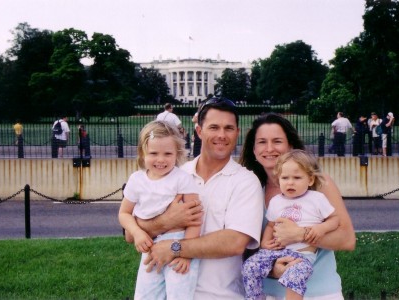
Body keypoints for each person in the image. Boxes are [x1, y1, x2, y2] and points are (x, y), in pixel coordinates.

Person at [131, 97, 264, 299]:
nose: (221, 135)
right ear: (199, 131)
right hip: (166, 291)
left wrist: (176, 248)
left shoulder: (245, 181)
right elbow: (130, 233)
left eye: (229, 128)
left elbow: (235, 242)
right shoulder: (173, 173)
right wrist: (167, 221)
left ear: (237, 133)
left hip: (219, 295)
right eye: (214, 127)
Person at [239, 113, 356, 299]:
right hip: (269, 293)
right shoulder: (250, 189)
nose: (269, 148)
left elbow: (347, 240)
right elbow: (246, 250)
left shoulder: (319, 183)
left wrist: (300, 235)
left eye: (277, 141)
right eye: (261, 142)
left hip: (319, 293)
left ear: (290, 146)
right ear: (253, 149)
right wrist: (272, 270)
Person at [118, 120, 201, 299]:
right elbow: (124, 213)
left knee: (179, 295)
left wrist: (187, 253)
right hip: (150, 245)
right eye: (154, 153)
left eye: (167, 154)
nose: (161, 159)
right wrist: (137, 233)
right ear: (142, 152)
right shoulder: (136, 180)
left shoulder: (183, 179)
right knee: (145, 295)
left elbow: (195, 219)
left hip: (180, 244)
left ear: (177, 154)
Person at [242, 150, 339, 300]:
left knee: (295, 277)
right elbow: (270, 225)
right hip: (276, 252)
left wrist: (321, 228)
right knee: (250, 266)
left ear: (310, 180)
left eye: (297, 177)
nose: (290, 182)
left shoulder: (317, 198)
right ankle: (255, 297)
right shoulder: (276, 201)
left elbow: (334, 220)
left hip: (302, 256)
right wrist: (265, 243)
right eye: (285, 177)